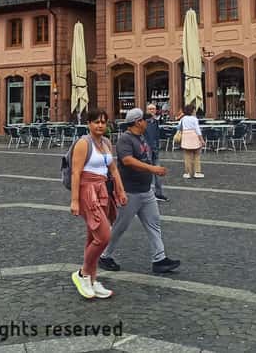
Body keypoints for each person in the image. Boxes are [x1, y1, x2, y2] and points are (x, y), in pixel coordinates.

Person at [98, 108, 180, 275]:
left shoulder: (141, 137)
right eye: (144, 119)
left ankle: (160, 259)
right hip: (130, 192)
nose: (147, 122)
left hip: (145, 190)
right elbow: (128, 160)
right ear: (137, 122)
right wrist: (153, 169)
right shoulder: (125, 140)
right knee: (120, 226)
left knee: (154, 223)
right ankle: (104, 255)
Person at [69, 108, 126, 300]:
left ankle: (92, 279)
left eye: (103, 122)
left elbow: (113, 169)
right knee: (104, 235)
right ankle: (83, 274)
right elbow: (76, 173)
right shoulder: (83, 144)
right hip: (87, 190)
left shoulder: (107, 142)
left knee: (92, 237)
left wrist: (120, 190)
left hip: (102, 189)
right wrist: (75, 201)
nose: (100, 125)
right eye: (96, 122)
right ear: (89, 124)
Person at [144, 104, 168, 202]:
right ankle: (147, 192)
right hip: (147, 150)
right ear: (147, 110)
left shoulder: (156, 121)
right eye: (150, 109)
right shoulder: (145, 122)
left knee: (157, 171)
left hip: (155, 149)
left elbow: (156, 135)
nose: (152, 111)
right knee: (147, 172)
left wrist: (157, 146)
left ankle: (159, 193)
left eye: (153, 109)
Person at [178, 104, 205, 179]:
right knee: (197, 155)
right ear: (192, 111)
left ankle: (188, 173)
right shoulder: (194, 119)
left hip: (186, 137)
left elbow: (179, 127)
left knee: (187, 156)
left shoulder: (182, 119)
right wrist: (202, 140)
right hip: (194, 137)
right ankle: (197, 172)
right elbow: (198, 130)